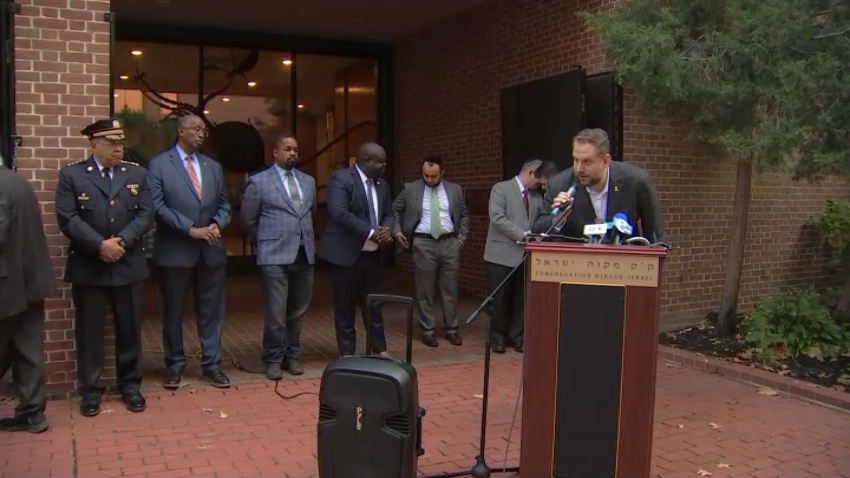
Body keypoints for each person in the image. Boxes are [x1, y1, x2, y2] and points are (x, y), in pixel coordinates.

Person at [55, 118, 154, 417]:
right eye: (111, 143)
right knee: (89, 331)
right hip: (89, 266)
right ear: (93, 144)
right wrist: (100, 245)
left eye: (120, 142)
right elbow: (67, 218)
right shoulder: (72, 175)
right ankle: (89, 390)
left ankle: (131, 386)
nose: (118, 148)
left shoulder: (137, 173)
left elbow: (147, 214)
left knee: (129, 329)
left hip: (128, 264)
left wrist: (121, 241)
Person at [147, 114, 232, 389]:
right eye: (196, 129)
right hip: (175, 252)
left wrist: (218, 223)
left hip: (211, 251)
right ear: (181, 131)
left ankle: (212, 364)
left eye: (204, 131)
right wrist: (190, 229)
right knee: (173, 311)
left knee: (212, 311)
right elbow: (157, 207)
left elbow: (225, 204)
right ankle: (174, 365)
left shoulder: (213, 167)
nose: (201, 134)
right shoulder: (159, 165)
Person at [240, 133, 316, 380]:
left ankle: (291, 356)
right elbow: (248, 220)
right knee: (276, 312)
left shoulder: (308, 182)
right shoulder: (259, 182)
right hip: (274, 255)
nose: (292, 153)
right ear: (275, 152)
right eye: (287, 149)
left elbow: (309, 213)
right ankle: (272, 358)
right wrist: (264, 241)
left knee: (297, 311)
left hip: (304, 253)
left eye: (295, 149)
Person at [319, 142, 394, 358]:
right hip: (345, 256)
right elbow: (339, 212)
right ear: (366, 160)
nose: (384, 165)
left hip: (373, 256)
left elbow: (389, 212)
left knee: (374, 305)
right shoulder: (341, 179)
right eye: (380, 161)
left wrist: (387, 229)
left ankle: (380, 350)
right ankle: (347, 353)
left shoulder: (382, 185)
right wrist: (372, 232)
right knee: (345, 307)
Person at [536, 128, 665, 243]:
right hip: (578, 265)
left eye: (587, 161)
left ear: (606, 161)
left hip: (624, 264)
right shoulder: (560, 184)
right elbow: (537, 231)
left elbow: (656, 237)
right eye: (576, 160)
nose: (579, 169)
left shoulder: (636, 181)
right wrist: (558, 219)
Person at [392, 154, 468, 347]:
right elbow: (394, 208)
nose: (429, 180)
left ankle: (452, 329)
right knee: (424, 290)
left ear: (442, 172)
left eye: (434, 176)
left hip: (449, 242)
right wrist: (397, 230)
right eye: (426, 175)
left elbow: (464, 215)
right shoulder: (411, 189)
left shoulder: (455, 190)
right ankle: (427, 330)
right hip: (423, 243)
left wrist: (460, 239)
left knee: (450, 289)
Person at [0, 166, 54, 432]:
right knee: (28, 350)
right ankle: (33, 413)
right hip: (30, 281)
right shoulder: (19, 182)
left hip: (6, 285)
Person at [483, 159, 544, 353]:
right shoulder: (500, 189)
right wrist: (523, 235)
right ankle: (497, 338)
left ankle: (517, 336)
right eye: (539, 179)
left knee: (520, 298)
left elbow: (539, 221)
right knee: (499, 299)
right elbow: (498, 218)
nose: (541, 184)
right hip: (500, 254)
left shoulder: (537, 197)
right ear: (531, 173)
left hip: (525, 255)